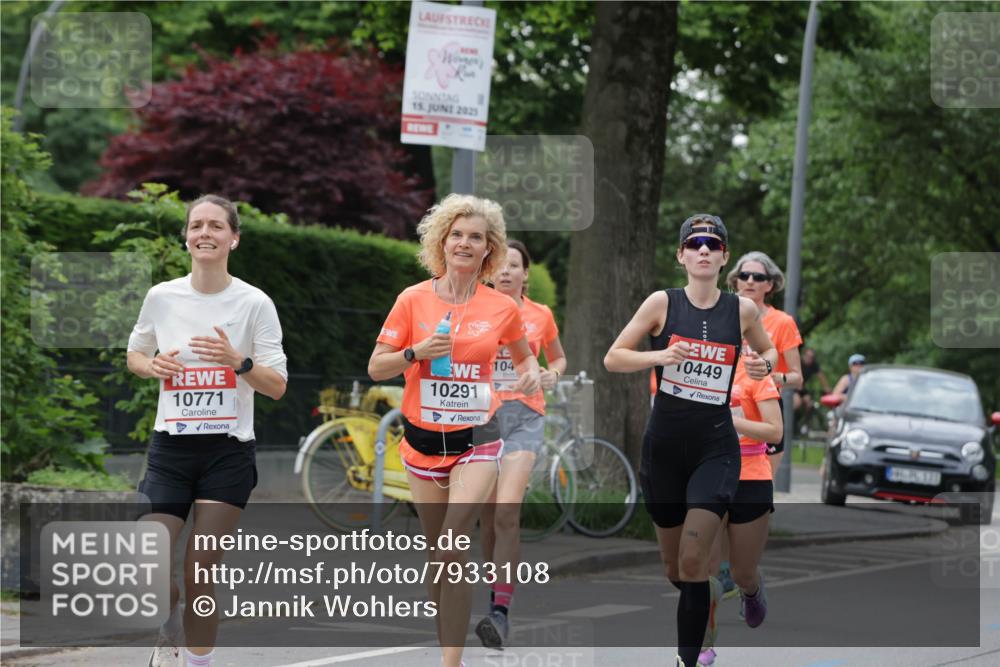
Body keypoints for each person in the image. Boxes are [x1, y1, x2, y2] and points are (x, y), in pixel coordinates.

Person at [368, 194, 540, 667]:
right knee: (440, 555)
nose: (465, 243)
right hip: (422, 443)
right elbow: (376, 367)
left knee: (451, 540)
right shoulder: (412, 299)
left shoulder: (501, 306)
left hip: (478, 439)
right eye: (457, 235)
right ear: (441, 242)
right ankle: (451, 646)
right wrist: (416, 352)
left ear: (490, 250)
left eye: (476, 237)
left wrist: (528, 374)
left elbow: (525, 356)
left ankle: (450, 663)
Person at [604, 214, 777, 667]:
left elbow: (769, 350)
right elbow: (613, 357)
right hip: (663, 449)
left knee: (696, 557)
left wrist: (764, 365)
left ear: (724, 258)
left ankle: (688, 658)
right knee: (676, 568)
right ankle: (702, 605)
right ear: (681, 255)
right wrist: (660, 354)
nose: (704, 250)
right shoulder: (662, 302)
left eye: (713, 244)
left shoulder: (742, 310)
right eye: (695, 243)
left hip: (715, 448)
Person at [129, 194, 288, 667]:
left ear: (233, 238)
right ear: (186, 237)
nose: (204, 233)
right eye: (196, 225)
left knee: (199, 569)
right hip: (170, 449)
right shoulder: (161, 296)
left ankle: (199, 662)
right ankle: (169, 627)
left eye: (216, 226)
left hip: (227, 454)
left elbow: (277, 385)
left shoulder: (254, 302)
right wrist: (151, 365)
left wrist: (237, 363)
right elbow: (135, 353)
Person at [476, 240, 567, 649]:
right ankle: (494, 591)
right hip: (481, 418)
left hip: (525, 418)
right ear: (491, 270)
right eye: (502, 265)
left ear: (526, 274)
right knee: (488, 518)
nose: (508, 271)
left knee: (508, 511)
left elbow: (559, 358)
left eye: (516, 265)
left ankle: (501, 611)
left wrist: (551, 374)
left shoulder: (540, 315)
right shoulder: (475, 309)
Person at [698, 360, 783, 666]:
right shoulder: (697, 369)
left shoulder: (755, 373)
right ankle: (703, 645)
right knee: (704, 568)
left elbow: (775, 431)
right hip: (708, 473)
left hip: (751, 477)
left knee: (740, 572)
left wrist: (732, 421)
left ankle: (752, 590)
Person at [726, 252, 802, 478]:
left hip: (764, 409)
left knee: (760, 488)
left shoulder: (782, 322)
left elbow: (797, 376)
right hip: (727, 402)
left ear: (769, 285)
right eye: (744, 275)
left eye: (758, 277)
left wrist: (774, 376)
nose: (750, 281)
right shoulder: (723, 314)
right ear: (735, 280)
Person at [793, 347, 831, 435]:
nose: (809, 359)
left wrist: (826, 388)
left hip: (802, 387)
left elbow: (821, 376)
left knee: (809, 403)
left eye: (811, 357)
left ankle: (805, 425)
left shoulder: (813, 364)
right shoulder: (799, 362)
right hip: (794, 386)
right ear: (804, 355)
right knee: (797, 403)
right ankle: (791, 425)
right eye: (808, 356)